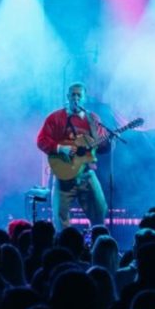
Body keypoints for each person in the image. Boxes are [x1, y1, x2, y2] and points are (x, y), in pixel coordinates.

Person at [36, 82, 110, 232]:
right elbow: (41, 140)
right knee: (60, 217)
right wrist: (59, 148)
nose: (75, 98)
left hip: (86, 174)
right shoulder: (56, 117)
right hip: (64, 176)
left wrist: (108, 142)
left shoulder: (93, 119)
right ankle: (64, 249)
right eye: (73, 95)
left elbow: (101, 147)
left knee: (100, 211)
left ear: (84, 98)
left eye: (79, 95)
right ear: (68, 97)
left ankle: (95, 246)